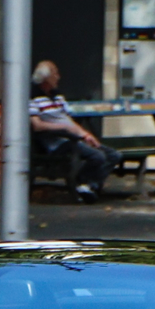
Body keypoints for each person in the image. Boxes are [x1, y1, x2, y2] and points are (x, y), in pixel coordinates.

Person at [29, 59, 111, 203]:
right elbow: (37, 125)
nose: (58, 77)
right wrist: (64, 128)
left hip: (74, 137)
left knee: (113, 155)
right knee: (98, 156)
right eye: (55, 73)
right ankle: (82, 184)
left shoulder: (58, 97)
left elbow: (69, 120)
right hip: (58, 143)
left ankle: (87, 186)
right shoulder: (33, 99)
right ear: (46, 78)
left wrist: (85, 134)